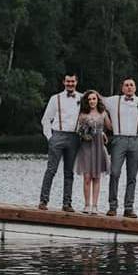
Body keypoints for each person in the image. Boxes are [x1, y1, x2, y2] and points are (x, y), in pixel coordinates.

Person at [101, 78, 138, 218]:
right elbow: (96, 98)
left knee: (132, 176)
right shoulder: (114, 100)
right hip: (118, 140)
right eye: (126, 85)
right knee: (114, 173)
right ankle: (112, 207)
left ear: (135, 88)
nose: (129, 87)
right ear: (122, 88)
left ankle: (128, 208)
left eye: (132, 85)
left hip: (136, 141)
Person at [39, 74, 83, 211]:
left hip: (74, 137)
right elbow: (46, 119)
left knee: (69, 172)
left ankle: (67, 203)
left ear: (76, 82)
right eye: (68, 81)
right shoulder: (55, 98)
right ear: (64, 82)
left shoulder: (82, 98)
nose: (70, 84)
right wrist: (50, 137)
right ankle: (43, 201)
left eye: (73, 81)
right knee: (51, 170)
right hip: (57, 135)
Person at [75, 90, 111, 214]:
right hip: (86, 146)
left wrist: (102, 132)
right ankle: (86, 205)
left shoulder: (103, 113)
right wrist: (84, 135)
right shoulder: (83, 115)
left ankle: (95, 206)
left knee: (97, 177)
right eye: (89, 99)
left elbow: (110, 127)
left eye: (94, 99)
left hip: (99, 146)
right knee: (87, 177)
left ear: (97, 100)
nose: (91, 101)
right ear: (87, 101)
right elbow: (78, 130)